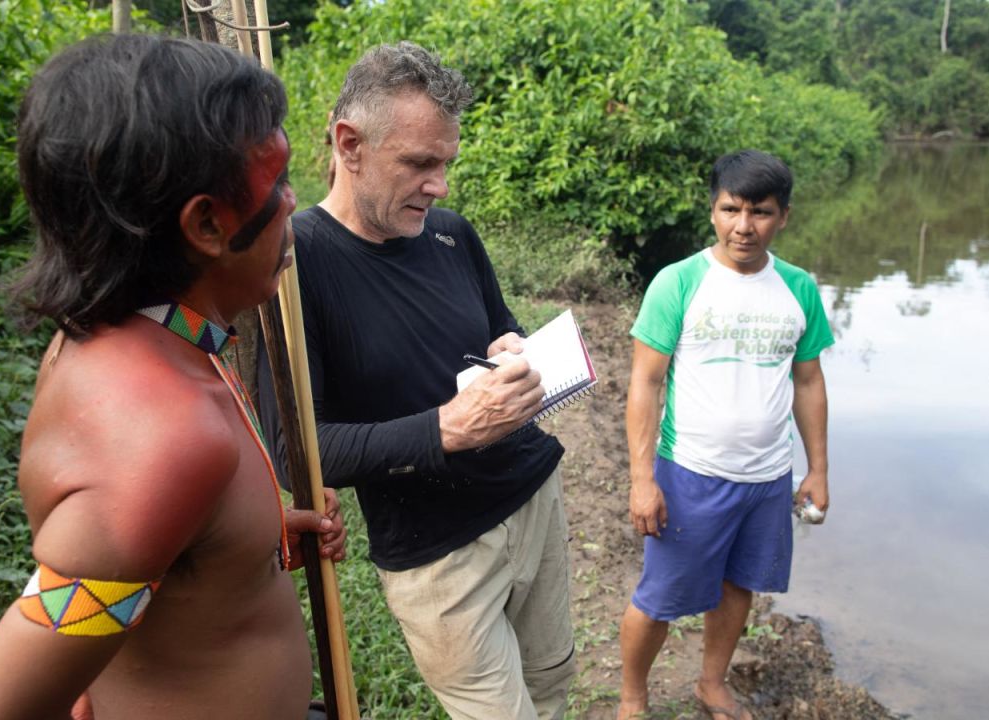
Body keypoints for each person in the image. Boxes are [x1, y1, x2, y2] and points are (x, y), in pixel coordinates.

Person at [0, 34, 347, 720]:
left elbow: (141, 562)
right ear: (208, 224)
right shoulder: (164, 440)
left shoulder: (163, 335)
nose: (293, 200)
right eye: (276, 183)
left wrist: (249, 538)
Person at [256, 42, 576, 720]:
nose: (440, 186)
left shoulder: (451, 236)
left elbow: (501, 326)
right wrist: (445, 429)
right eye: (420, 164)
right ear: (349, 144)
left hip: (532, 498)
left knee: (552, 686)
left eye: (446, 164)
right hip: (440, 555)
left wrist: (513, 347)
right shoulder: (292, 265)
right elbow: (297, 453)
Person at [616, 150, 833, 720]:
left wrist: (818, 469)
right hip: (691, 471)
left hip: (766, 479)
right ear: (712, 211)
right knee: (659, 597)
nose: (744, 226)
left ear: (783, 215)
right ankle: (632, 698)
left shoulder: (798, 288)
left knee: (740, 586)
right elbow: (645, 383)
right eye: (730, 209)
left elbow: (809, 382)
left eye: (759, 212)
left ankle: (711, 682)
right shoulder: (679, 282)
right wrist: (643, 480)